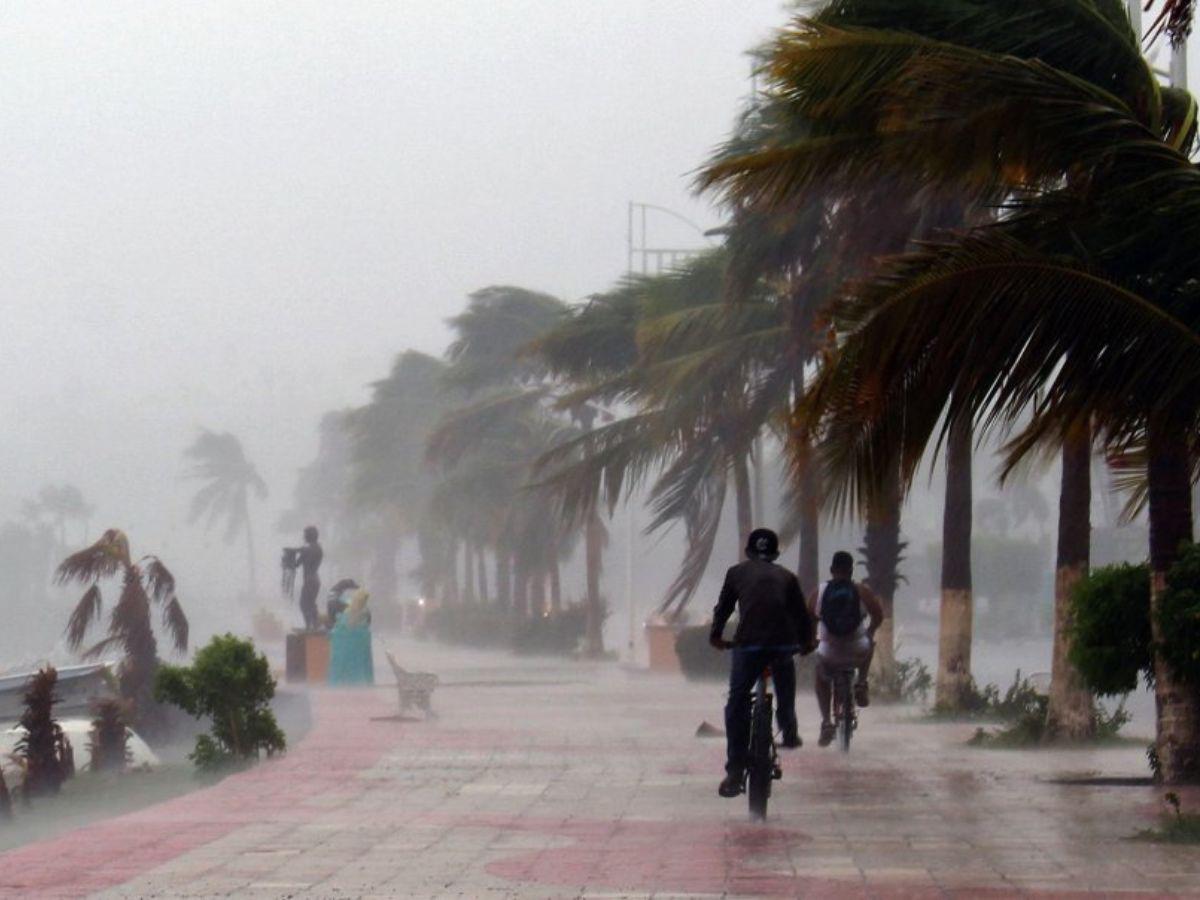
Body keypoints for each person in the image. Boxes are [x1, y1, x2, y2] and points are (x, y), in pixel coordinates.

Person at [709, 527, 814, 799]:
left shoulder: (736, 573)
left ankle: (734, 770)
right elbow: (801, 616)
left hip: (749, 645)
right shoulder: (787, 577)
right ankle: (789, 731)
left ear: (748, 552)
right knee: (785, 686)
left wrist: (716, 636)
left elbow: (723, 608)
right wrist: (806, 644)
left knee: (738, 699)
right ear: (776, 553)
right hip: (781, 644)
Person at [811, 550, 885, 747]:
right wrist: (869, 630)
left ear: (831, 570)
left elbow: (808, 619)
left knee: (820, 675)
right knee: (870, 644)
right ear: (851, 570)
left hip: (829, 652)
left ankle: (826, 722)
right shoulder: (861, 590)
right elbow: (878, 616)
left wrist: (812, 640)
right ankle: (861, 682)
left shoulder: (820, 591)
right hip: (857, 651)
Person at [328, 588, 375, 685]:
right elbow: (359, 624)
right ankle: (358, 682)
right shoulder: (361, 611)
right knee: (356, 664)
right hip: (355, 643)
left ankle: (342, 682)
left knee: (342, 664)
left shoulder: (353, 611)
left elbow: (345, 626)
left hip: (346, 643)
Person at [286, 526, 324, 631]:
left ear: (309, 536)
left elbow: (299, 559)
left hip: (310, 580)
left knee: (304, 604)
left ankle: (311, 625)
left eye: (305, 534)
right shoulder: (316, 548)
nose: (304, 537)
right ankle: (313, 625)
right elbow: (296, 564)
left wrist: (292, 554)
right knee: (310, 603)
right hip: (314, 580)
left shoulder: (310, 549)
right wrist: (292, 555)